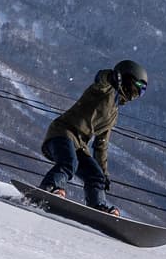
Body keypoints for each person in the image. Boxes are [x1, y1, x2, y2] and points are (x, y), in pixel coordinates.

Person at [38, 59, 148, 216]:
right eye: (138, 87)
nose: (137, 94)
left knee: (96, 176)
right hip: (63, 133)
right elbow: (99, 78)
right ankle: (49, 188)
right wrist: (110, 76)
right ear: (127, 78)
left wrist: (104, 173)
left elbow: (101, 145)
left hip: (79, 144)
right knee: (69, 163)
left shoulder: (114, 114)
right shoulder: (106, 89)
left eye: (142, 92)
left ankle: (98, 206)